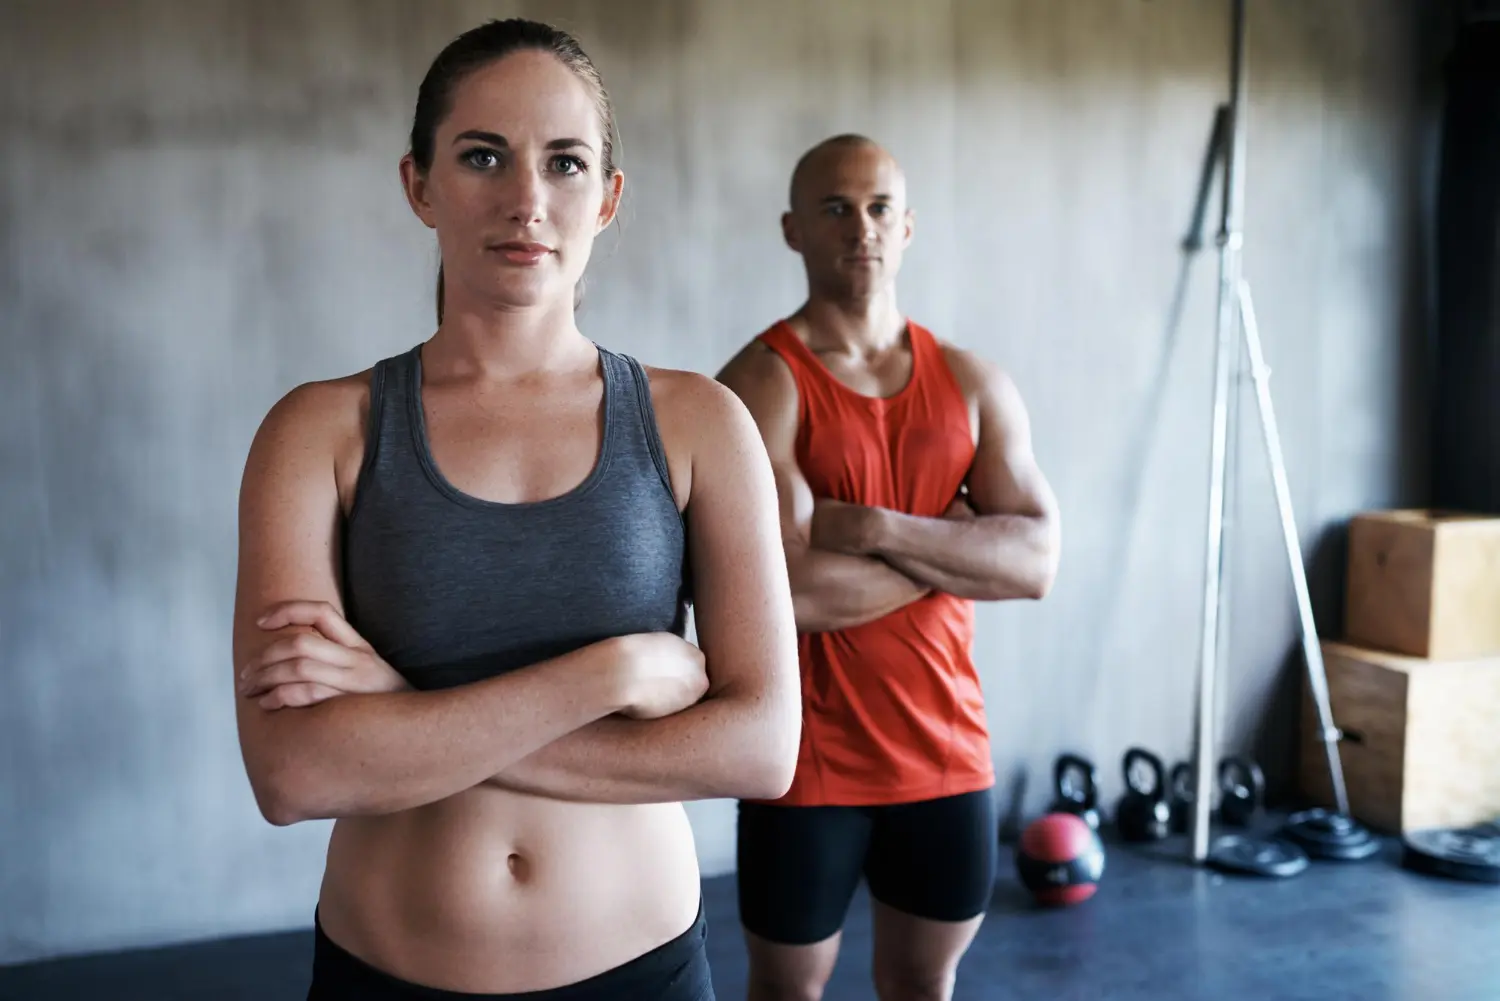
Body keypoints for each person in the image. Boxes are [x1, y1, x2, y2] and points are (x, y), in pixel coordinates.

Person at [231, 19, 801, 1001]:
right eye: (483, 155)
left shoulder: (700, 421)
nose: (527, 200)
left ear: (609, 196)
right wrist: (610, 671)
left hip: (643, 969)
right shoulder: (318, 431)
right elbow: (295, 773)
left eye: (566, 162)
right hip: (387, 970)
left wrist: (401, 710)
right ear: (419, 183)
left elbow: (760, 745)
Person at [715, 134, 1062, 1001]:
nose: (859, 228)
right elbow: (788, 592)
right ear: (793, 229)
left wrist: (869, 525)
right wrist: (953, 546)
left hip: (947, 752)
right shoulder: (763, 383)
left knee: (923, 983)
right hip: (807, 763)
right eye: (835, 208)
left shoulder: (974, 382)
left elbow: (1035, 560)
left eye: (877, 209)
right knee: (787, 990)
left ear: (907, 227)